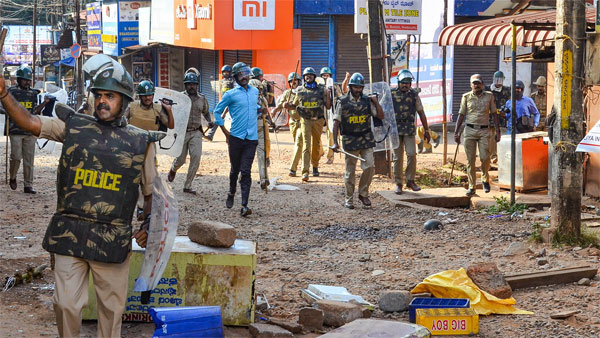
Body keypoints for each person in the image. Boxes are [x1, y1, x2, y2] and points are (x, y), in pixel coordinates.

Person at [0, 58, 158, 337]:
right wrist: (3, 94)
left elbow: (151, 194)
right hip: (70, 232)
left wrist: (146, 224)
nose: (102, 101)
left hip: (112, 240)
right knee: (65, 305)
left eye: (110, 96)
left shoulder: (140, 142)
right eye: (99, 95)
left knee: (110, 313)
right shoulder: (73, 127)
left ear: (124, 101)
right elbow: (29, 121)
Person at [213, 62, 264, 217]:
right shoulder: (231, 94)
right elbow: (216, 112)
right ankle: (231, 191)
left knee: (246, 171)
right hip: (235, 137)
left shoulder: (255, 92)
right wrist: (225, 132)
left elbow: (252, 108)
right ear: (235, 77)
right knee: (235, 169)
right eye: (241, 74)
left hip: (251, 138)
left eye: (246, 74)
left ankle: (244, 205)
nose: (244, 77)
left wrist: (260, 110)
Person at [331, 73, 384, 209]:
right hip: (350, 140)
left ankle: (363, 193)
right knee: (350, 172)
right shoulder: (342, 102)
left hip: (366, 139)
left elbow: (380, 116)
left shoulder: (367, 101)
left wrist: (376, 102)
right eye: (355, 87)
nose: (358, 90)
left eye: (360, 87)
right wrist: (335, 142)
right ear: (350, 87)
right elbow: (336, 122)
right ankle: (349, 199)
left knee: (370, 167)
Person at [125, 80, 174, 216]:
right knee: (133, 175)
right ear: (140, 96)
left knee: (149, 176)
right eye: (145, 95)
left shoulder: (158, 109)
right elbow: (122, 121)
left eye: (150, 95)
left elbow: (170, 125)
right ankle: (137, 205)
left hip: (149, 145)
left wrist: (169, 111)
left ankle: (147, 207)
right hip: (132, 144)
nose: (147, 98)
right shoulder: (132, 107)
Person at [1, 64, 50, 193]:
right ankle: (13, 177)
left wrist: (44, 103)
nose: (27, 82)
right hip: (15, 130)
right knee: (16, 157)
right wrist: (8, 111)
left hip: (30, 130)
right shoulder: (11, 92)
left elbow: (35, 112)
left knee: (29, 159)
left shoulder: (33, 94)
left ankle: (28, 185)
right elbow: (3, 106)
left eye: (29, 80)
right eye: (25, 80)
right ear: (18, 79)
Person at [167, 71, 213, 195]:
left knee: (196, 157)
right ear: (185, 85)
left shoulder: (202, 98)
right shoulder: (180, 98)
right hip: (182, 132)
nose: (192, 86)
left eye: (194, 84)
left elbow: (206, 111)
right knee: (181, 159)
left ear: (197, 85)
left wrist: (209, 121)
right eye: (189, 84)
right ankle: (173, 169)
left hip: (196, 132)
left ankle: (188, 185)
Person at [455, 74, 500, 196]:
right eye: (474, 83)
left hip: (484, 131)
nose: (476, 85)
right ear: (471, 85)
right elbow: (461, 115)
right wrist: (456, 132)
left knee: (485, 157)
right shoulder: (466, 97)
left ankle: (485, 178)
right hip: (469, 130)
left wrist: (498, 131)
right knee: (470, 161)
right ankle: (472, 186)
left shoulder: (489, 96)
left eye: (478, 83)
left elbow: (495, 114)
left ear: (482, 84)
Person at [285, 67, 332, 181]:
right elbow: (294, 106)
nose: (308, 77)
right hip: (305, 120)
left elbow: (328, 106)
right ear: (304, 78)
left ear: (315, 77)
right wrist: (287, 105)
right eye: (306, 75)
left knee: (316, 145)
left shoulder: (322, 89)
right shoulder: (300, 91)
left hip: (318, 121)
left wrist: (328, 95)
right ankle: (305, 172)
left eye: (310, 75)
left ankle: (315, 166)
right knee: (306, 145)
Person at [390, 69, 430, 194]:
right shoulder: (391, 94)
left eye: (407, 82)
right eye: (403, 82)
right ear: (398, 82)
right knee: (397, 157)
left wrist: (427, 130)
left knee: (412, 154)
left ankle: (410, 180)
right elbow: (383, 109)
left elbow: (421, 112)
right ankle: (398, 183)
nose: (405, 85)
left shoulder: (414, 95)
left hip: (408, 129)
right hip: (395, 130)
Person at [273, 72, 302, 176]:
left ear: (299, 81)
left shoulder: (303, 91)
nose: (293, 83)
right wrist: (275, 110)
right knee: (298, 143)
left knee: (299, 143)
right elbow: (281, 104)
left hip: (303, 122)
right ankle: (305, 161)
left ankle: (293, 168)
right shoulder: (287, 93)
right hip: (293, 122)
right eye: (291, 81)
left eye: (295, 81)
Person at [320, 67, 350, 165]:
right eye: (323, 76)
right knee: (316, 136)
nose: (325, 77)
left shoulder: (335, 87)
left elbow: (341, 97)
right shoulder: (319, 87)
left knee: (330, 136)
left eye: (327, 75)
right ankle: (319, 152)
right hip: (321, 115)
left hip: (331, 114)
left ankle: (330, 156)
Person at [249, 67, 272, 190]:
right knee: (252, 154)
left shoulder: (261, 98)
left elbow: (266, 111)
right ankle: (245, 176)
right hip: (251, 128)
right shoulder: (250, 99)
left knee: (260, 154)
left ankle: (264, 179)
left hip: (260, 126)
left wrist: (271, 122)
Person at [485, 71, 511, 164]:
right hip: (489, 117)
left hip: (501, 117)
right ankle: (492, 156)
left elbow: (510, 103)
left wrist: (506, 111)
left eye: (500, 80)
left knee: (500, 136)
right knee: (491, 136)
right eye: (496, 80)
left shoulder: (507, 90)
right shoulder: (487, 89)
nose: (498, 82)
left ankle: (499, 155)